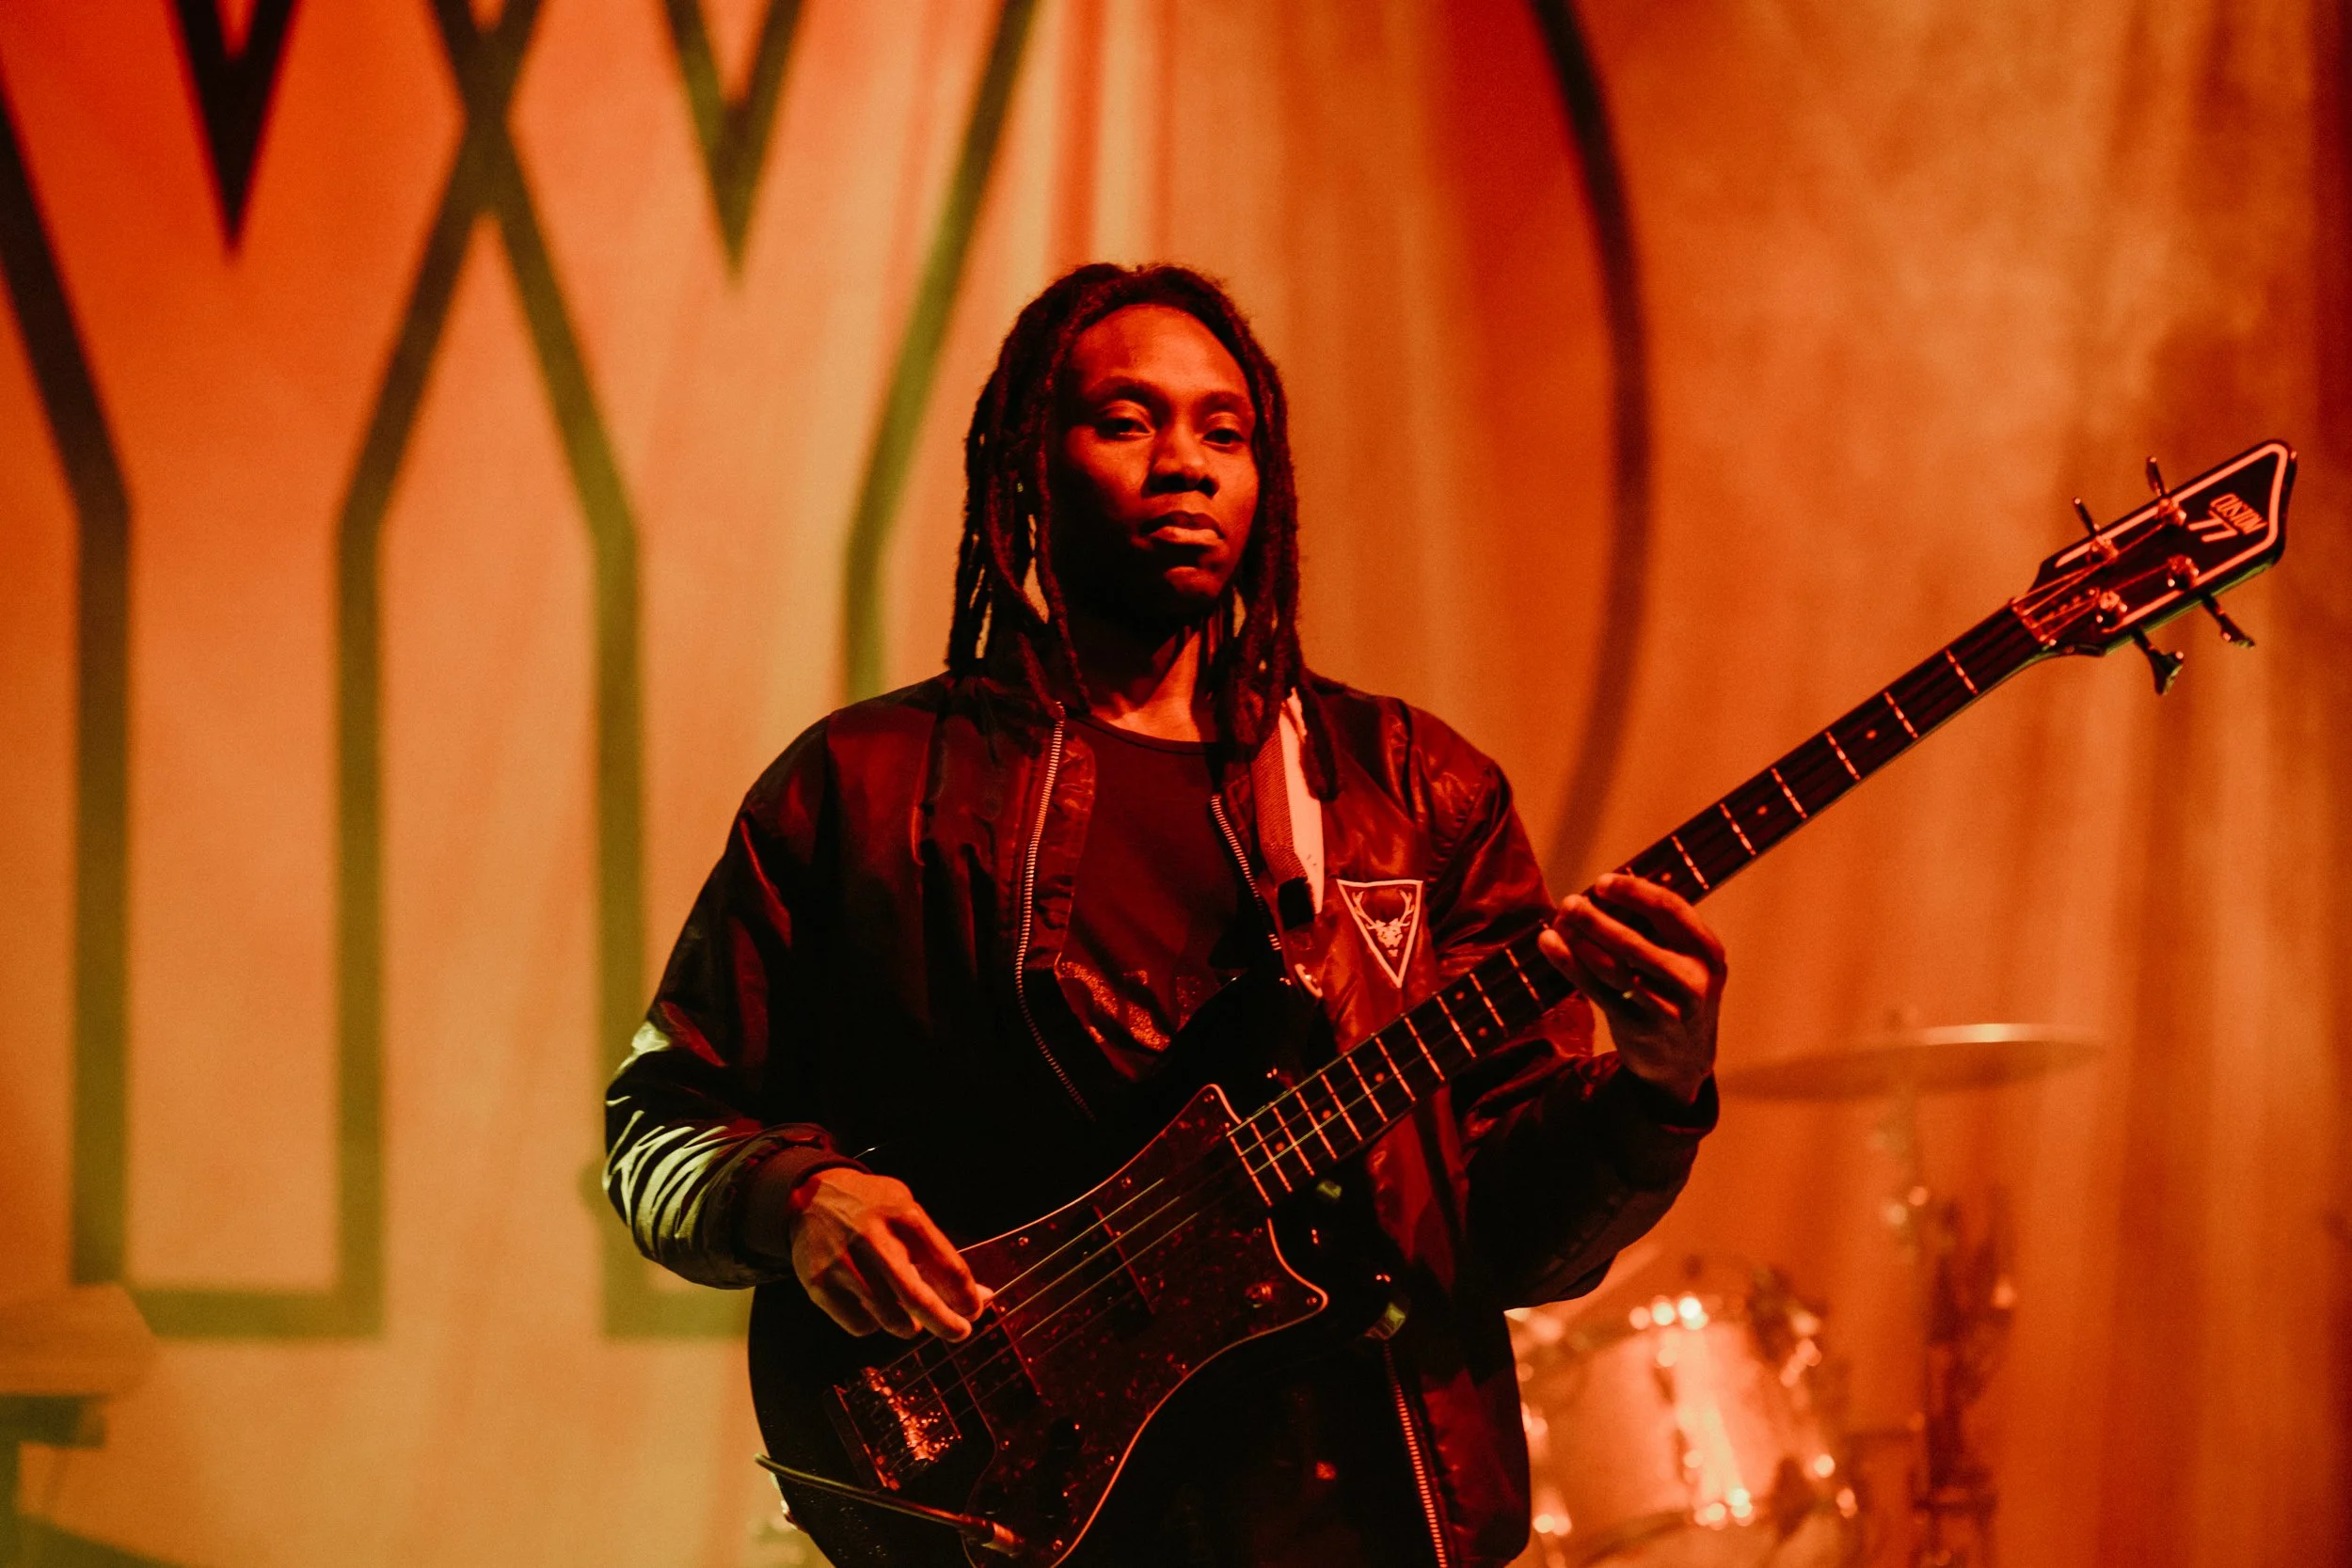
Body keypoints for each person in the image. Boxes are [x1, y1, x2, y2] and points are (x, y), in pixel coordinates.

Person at [604, 263, 1725, 1568]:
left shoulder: (1415, 793)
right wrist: (801, 1197)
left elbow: (1506, 1240)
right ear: (1030, 465)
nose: (1185, 463)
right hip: (1012, 1513)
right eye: (1128, 420)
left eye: (1224, 430)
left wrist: (1654, 1094)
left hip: (1354, 1520)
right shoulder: (866, 785)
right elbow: (661, 1119)